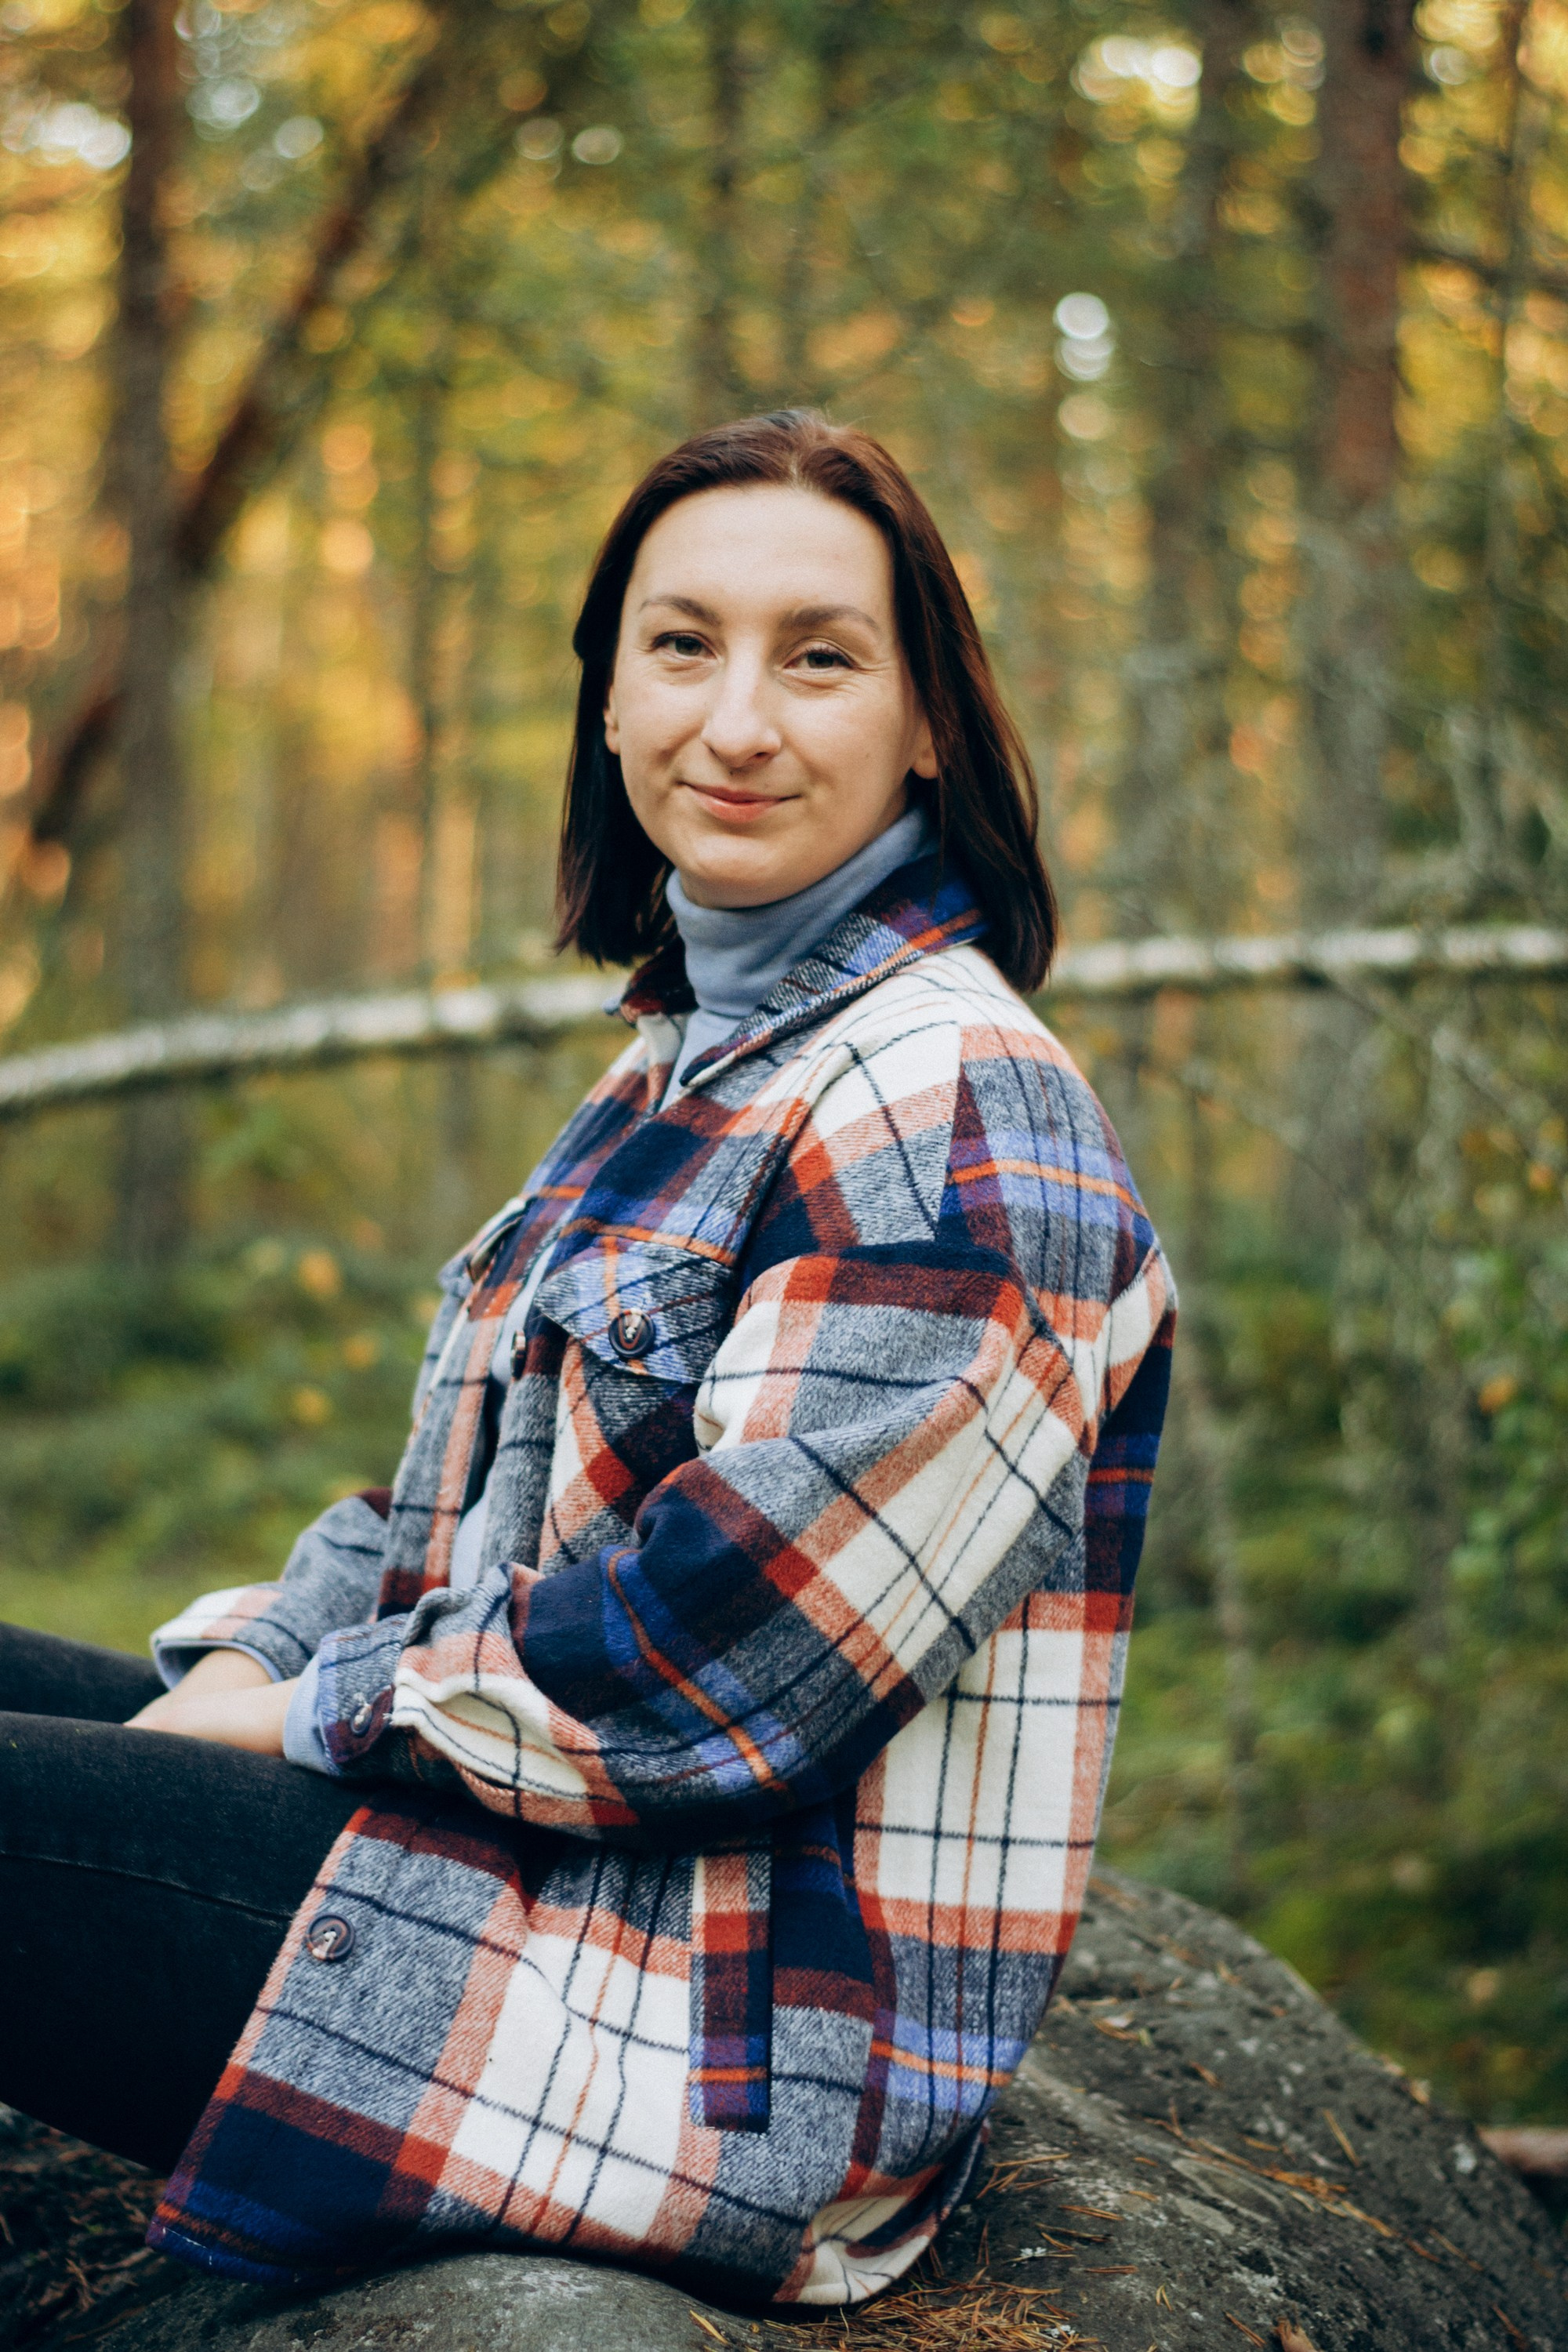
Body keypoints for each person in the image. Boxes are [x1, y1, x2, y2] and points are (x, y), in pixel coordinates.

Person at [0, 410, 1174, 2309]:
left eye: (818, 657)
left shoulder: (958, 1102)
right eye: (682, 644)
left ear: (927, 720)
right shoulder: (682, 1063)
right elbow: (444, 1511)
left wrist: (305, 1716)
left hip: (692, 2026)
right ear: (610, 696)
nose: (737, 722)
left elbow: (740, 1650)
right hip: (501, 1855)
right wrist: (256, 1662)